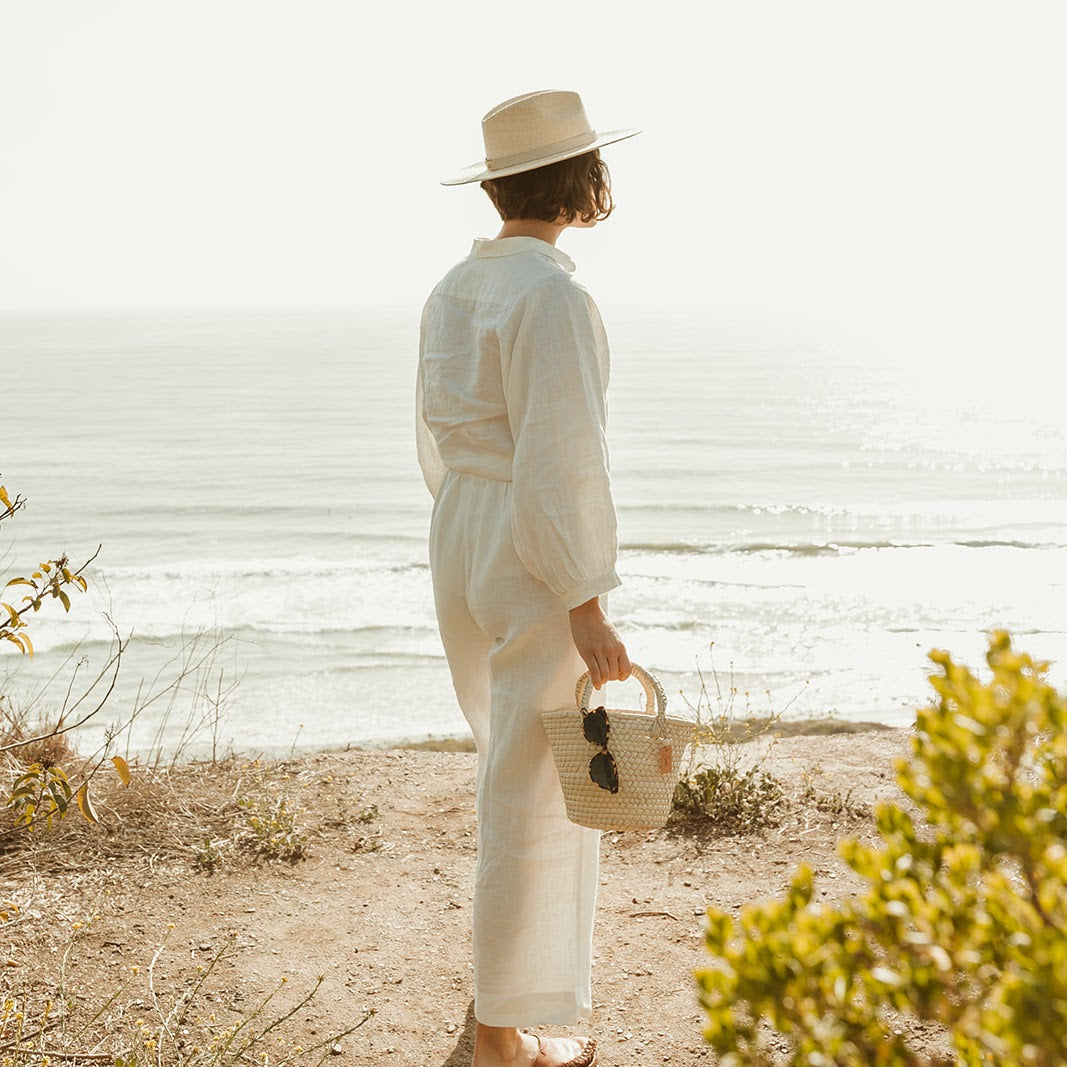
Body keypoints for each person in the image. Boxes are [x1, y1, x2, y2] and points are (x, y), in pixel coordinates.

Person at [417, 89, 638, 1067]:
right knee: (540, 790)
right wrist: (583, 597)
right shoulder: (551, 292)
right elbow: (562, 458)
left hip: (461, 527)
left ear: (498, 183)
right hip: (521, 543)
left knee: (509, 774)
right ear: (580, 179)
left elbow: (438, 436)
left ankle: (493, 1018)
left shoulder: (452, 289)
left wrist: (471, 526)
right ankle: (501, 1035)